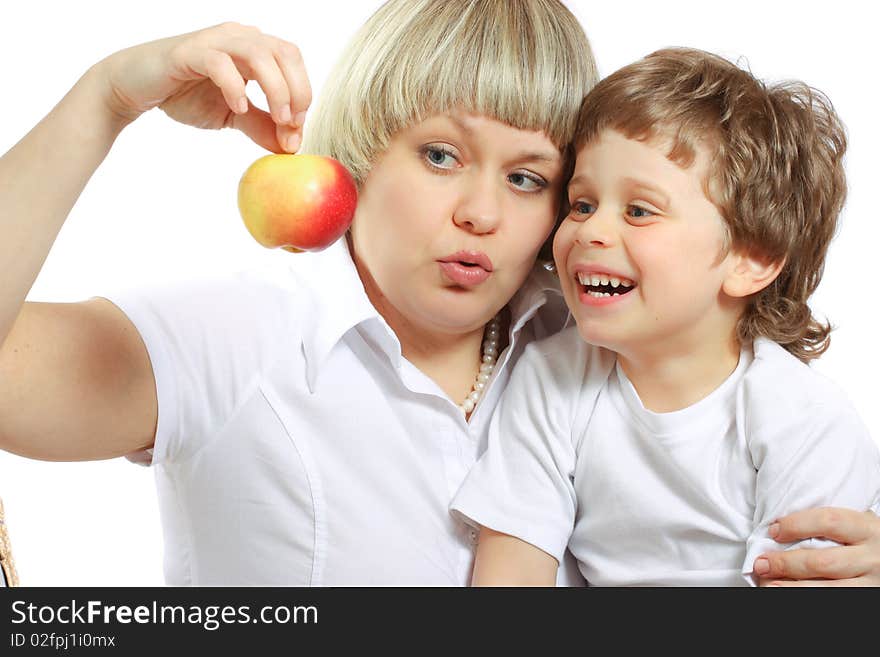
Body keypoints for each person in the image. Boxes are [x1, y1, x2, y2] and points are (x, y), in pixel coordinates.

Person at [0, 0, 877, 586]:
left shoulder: (593, 340)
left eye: (533, 179)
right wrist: (104, 100)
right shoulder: (240, 332)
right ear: (364, 148)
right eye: (441, 155)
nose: (483, 213)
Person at [450, 47, 880, 587]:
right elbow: (510, 577)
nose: (590, 231)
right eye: (581, 205)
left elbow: (809, 584)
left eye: (639, 211)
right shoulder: (553, 379)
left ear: (753, 260)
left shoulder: (804, 419)